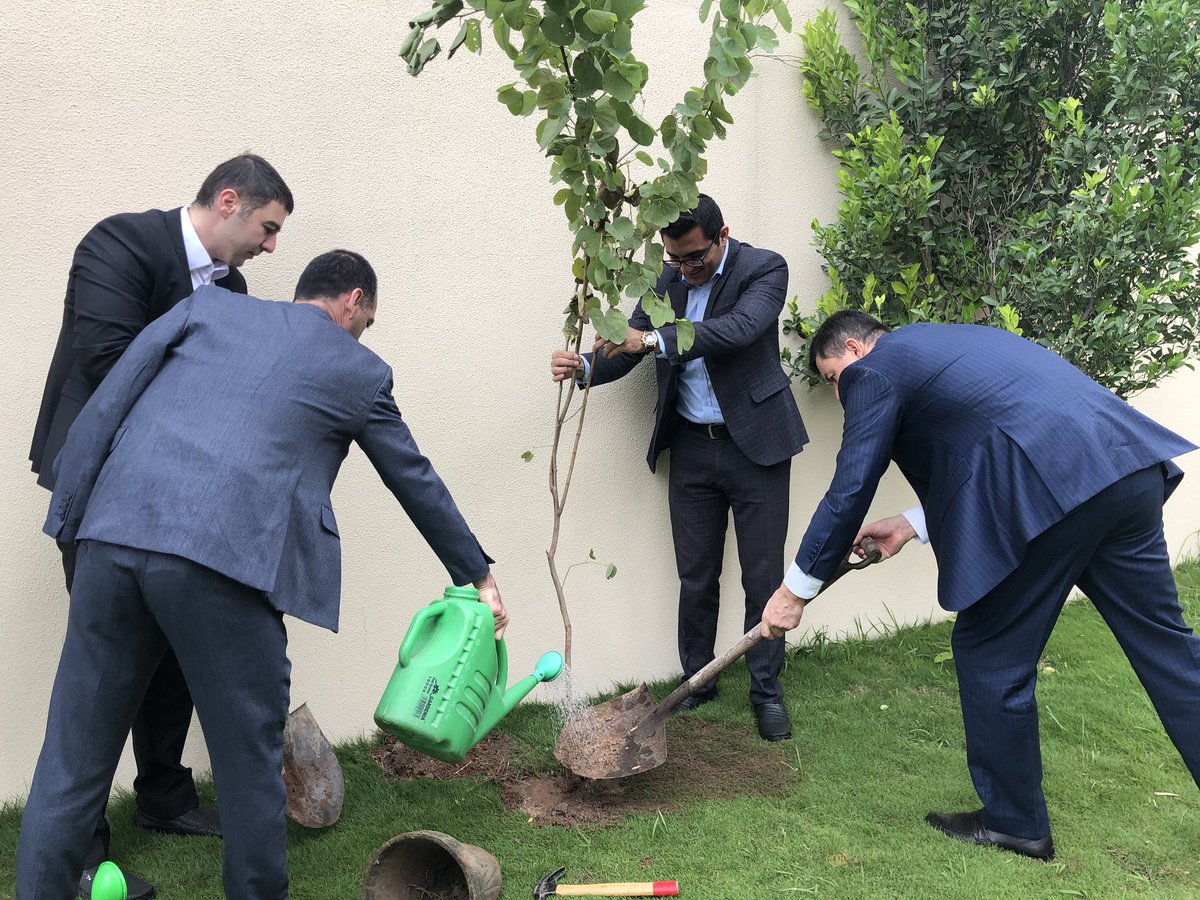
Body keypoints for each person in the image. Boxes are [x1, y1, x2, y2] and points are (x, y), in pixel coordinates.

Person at [17, 249, 507, 898]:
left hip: (112, 535)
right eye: (367, 321)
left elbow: (109, 401)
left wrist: (72, 517)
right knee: (248, 765)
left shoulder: (205, 307)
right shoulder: (358, 367)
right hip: (222, 559)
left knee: (71, 759)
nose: (363, 334)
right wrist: (477, 574)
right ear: (354, 302)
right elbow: (411, 476)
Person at [762, 310, 1200, 860]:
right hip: (1120, 468)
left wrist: (794, 591)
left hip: (1056, 497)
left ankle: (1016, 824)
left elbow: (851, 486)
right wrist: (911, 524)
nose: (840, 390)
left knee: (989, 651)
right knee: (1168, 647)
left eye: (833, 378)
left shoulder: (875, 371)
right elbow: (988, 439)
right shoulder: (948, 340)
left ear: (854, 348)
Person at [27, 153, 294, 899]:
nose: (271, 248)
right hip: (101, 493)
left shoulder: (234, 288)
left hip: (187, 501)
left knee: (177, 655)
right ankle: (82, 858)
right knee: (101, 677)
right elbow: (110, 360)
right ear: (231, 201)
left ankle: (165, 796)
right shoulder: (119, 244)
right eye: (268, 229)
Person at [550, 195, 807, 741]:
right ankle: (699, 681)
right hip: (692, 447)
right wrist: (585, 368)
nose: (685, 270)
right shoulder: (664, 280)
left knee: (763, 578)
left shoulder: (764, 269)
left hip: (756, 446)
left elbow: (737, 329)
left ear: (722, 236)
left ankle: (766, 691)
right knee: (696, 575)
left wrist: (651, 338)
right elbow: (631, 346)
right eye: (674, 260)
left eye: (694, 259)